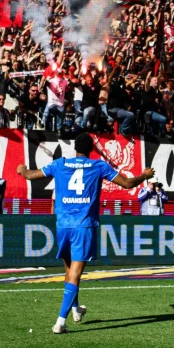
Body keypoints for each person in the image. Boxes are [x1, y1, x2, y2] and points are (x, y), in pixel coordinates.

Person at [17, 132, 154, 333]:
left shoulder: (59, 164)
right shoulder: (98, 166)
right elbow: (128, 184)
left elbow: (30, 175)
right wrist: (145, 175)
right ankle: (60, 322)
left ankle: (75, 309)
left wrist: (21, 170)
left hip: (63, 224)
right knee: (76, 272)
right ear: (91, 150)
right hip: (83, 225)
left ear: (75, 148)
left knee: (69, 270)